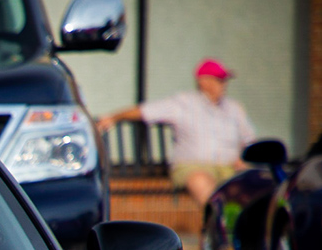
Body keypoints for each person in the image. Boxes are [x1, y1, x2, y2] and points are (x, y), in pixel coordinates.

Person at [96, 58, 256, 207]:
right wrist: (114, 117)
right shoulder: (183, 103)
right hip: (193, 167)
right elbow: (145, 111)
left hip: (230, 168)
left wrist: (245, 159)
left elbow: (249, 140)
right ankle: (219, 222)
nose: (223, 84)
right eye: (219, 80)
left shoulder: (234, 108)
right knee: (200, 182)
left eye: (224, 80)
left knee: (252, 184)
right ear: (203, 81)